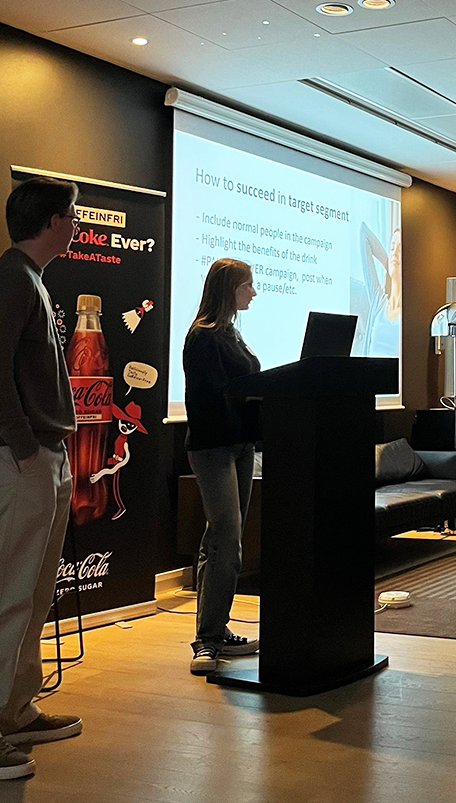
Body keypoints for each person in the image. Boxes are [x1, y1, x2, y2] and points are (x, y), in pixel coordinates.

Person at [0, 177, 83, 781]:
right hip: (12, 458)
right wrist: (28, 450)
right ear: (52, 221)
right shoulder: (9, 279)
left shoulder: (29, 279)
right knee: (1, 595)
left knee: (29, 592)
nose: (77, 225)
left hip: (34, 455)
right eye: (72, 215)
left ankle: (15, 709)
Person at [183, 258, 261, 675]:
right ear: (229, 288)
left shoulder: (231, 334)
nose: (254, 292)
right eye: (248, 285)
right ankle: (207, 640)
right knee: (225, 539)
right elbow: (209, 398)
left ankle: (217, 628)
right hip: (215, 448)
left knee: (224, 538)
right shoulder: (203, 337)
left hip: (239, 447)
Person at [360, 222, 401, 356]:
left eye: (401, 250)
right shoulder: (378, 301)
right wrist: (389, 263)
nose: (395, 253)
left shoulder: (410, 314)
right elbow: (364, 233)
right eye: (392, 248)